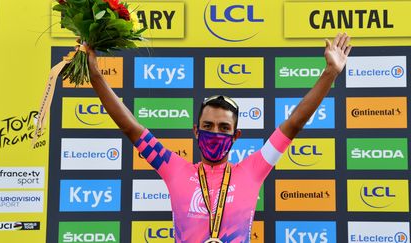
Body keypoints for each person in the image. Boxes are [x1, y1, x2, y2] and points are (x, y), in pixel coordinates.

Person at [86, 33, 352, 242]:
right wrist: (96, 75)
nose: (215, 132)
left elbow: (294, 123)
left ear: (236, 135)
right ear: (195, 130)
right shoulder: (173, 168)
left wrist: (330, 73)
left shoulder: (253, 170)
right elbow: (131, 128)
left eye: (224, 128)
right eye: (208, 125)